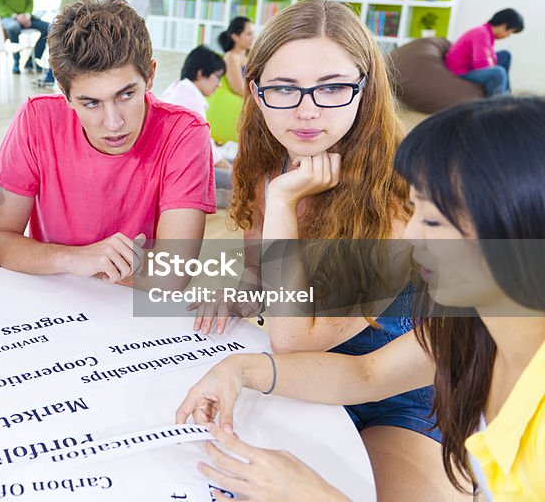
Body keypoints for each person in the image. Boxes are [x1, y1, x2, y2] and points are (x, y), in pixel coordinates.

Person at [176, 95, 545, 501]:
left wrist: (313, 495)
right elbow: (367, 375)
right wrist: (238, 369)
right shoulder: (472, 324)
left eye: (435, 220)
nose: (411, 233)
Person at [214, 0, 459, 499]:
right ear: (255, 91)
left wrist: (283, 201)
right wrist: (240, 292)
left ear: (365, 91)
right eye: (283, 88)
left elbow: (295, 340)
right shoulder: (265, 166)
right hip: (299, 376)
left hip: (397, 393)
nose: (306, 110)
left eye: (331, 87)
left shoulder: (399, 194)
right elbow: (262, 278)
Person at [0, 0, 215, 282]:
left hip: (129, 311)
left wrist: (65, 263)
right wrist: (74, 258)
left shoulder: (185, 132)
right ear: (64, 94)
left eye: (126, 94)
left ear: (150, 75)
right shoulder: (37, 118)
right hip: (50, 304)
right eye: (91, 103)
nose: (114, 123)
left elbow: (173, 275)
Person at [159, 46, 236, 207]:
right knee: (241, 179)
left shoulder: (180, 89)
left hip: (178, 165)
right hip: (176, 171)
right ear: (201, 73)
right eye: (217, 77)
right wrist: (233, 171)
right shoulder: (188, 99)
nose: (219, 85)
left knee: (236, 165)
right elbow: (208, 152)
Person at [37, 0, 100, 87]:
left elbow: (62, 16)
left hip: (68, 34)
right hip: (87, 35)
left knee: (53, 32)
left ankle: (50, 75)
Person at [444, 8, 523, 97]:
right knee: (497, 72)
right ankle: (499, 104)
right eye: (510, 32)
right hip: (462, 72)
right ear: (504, 25)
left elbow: (487, 58)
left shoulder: (487, 33)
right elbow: (481, 65)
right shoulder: (481, 34)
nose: (508, 36)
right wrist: (493, 64)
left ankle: (506, 95)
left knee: (505, 55)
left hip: (470, 67)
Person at [205, 16, 253, 144]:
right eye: (248, 34)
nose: (252, 37)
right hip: (235, 102)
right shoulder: (231, 57)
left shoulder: (248, 57)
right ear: (235, 36)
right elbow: (239, 88)